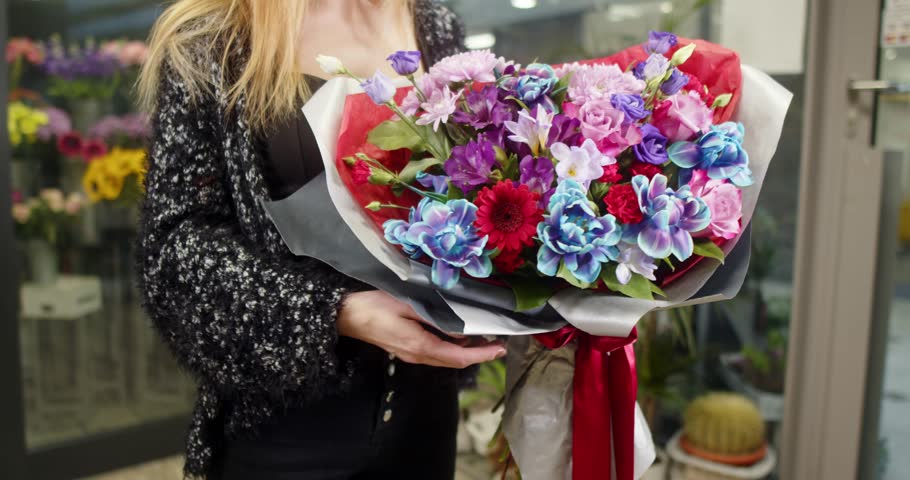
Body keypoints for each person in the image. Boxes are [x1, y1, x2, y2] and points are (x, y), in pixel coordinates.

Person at [135, 1, 505, 478]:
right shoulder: (218, 34)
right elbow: (174, 252)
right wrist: (335, 311)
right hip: (287, 432)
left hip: (426, 412)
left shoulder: (432, 20)